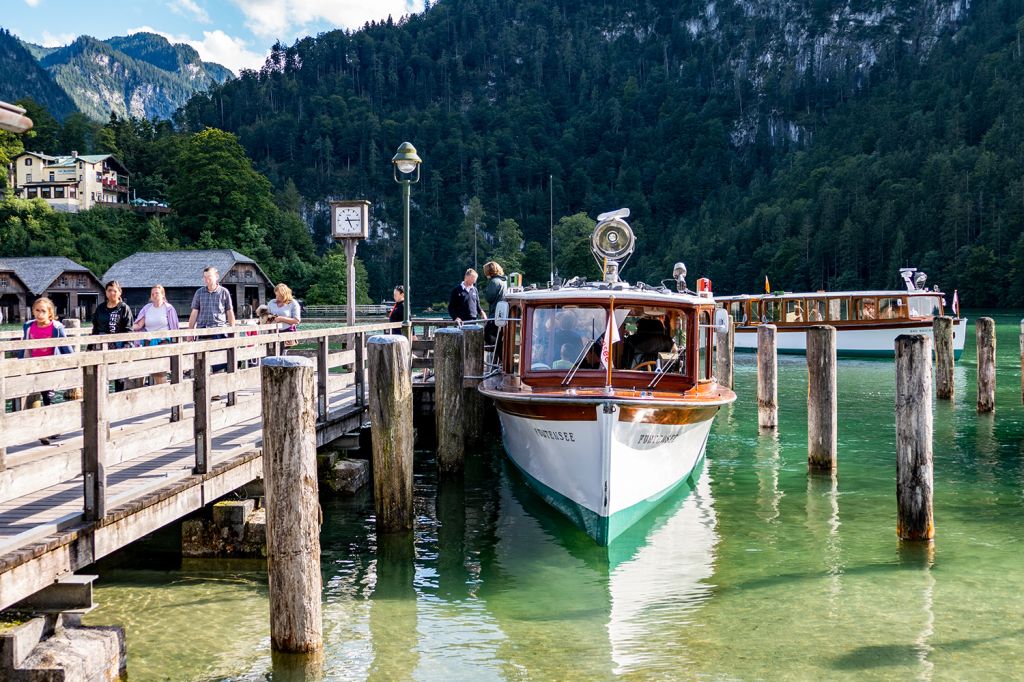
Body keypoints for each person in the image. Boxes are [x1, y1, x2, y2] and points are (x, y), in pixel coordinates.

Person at [21, 297, 74, 445]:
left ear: (50, 313)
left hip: (51, 366)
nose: (39, 314)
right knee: (36, 396)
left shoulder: (56, 328)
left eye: (43, 311)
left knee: (49, 396)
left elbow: (65, 347)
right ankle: (42, 428)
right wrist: (19, 363)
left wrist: (73, 363)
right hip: (34, 366)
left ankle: (50, 427)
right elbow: (24, 346)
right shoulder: (29, 327)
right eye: (37, 310)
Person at [188, 266, 236, 379]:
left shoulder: (224, 292)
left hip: (218, 329)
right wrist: (190, 332)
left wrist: (232, 330)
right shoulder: (199, 292)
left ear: (216, 276)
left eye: (209, 276)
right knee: (201, 360)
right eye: (204, 277)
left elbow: (229, 312)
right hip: (203, 330)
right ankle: (202, 389)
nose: (206, 279)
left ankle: (216, 391)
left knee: (218, 360)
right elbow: (194, 313)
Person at [133, 285, 180, 385]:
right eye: (152, 294)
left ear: (162, 295)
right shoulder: (147, 308)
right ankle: (142, 393)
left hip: (163, 341)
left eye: (157, 293)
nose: (154, 295)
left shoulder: (169, 308)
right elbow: (139, 325)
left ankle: (163, 394)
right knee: (142, 369)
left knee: (159, 370)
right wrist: (127, 326)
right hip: (148, 341)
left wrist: (176, 344)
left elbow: (175, 327)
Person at [92, 280, 133, 391]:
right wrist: (90, 347)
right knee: (100, 377)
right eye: (109, 290)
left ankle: (119, 404)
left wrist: (126, 346)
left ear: (119, 292)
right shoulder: (100, 308)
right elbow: (95, 328)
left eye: (114, 291)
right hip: (101, 347)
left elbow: (129, 330)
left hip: (118, 346)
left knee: (119, 378)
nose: (112, 293)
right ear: (106, 292)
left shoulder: (124, 308)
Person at [482, 261, 507, 346]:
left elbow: (489, 298)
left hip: (494, 315)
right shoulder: (503, 281)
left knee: (488, 336)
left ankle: (495, 356)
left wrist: (485, 291)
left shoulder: (494, 282)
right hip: (502, 315)